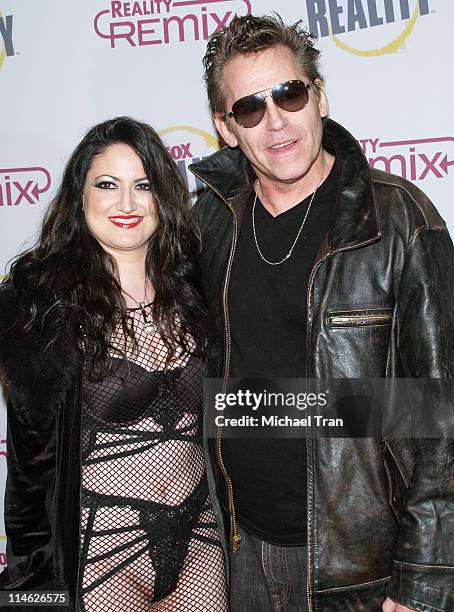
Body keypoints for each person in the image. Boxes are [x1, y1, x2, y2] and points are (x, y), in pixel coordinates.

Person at [190, 14, 454, 612]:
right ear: (226, 129)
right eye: (250, 108)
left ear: (321, 97)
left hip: (360, 567)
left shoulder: (398, 221)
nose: (277, 121)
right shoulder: (209, 222)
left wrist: (425, 579)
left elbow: (441, 411)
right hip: (234, 549)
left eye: (289, 93)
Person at [0, 117, 228, 611]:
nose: (126, 204)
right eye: (107, 185)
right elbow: (29, 471)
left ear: (164, 197)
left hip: (201, 537)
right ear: (79, 197)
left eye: (143, 186)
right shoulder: (39, 305)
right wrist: (31, 594)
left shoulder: (199, 287)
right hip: (100, 548)